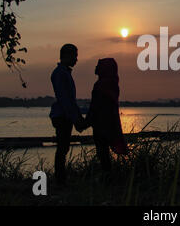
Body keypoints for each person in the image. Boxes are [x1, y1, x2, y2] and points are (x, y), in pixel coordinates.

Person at [49, 44, 87, 186]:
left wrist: (76, 116)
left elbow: (69, 100)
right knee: (62, 148)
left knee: (63, 147)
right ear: (66, 55)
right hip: (62, 115)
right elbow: (65, 99)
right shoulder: (60, 73)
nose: (77, 59)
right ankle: (60, 180)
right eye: (75, 55)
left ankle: (61, 179)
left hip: (65, 114)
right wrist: (76, 118)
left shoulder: (64, 73)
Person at [86, 58, 128, 173]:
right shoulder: (113, 83)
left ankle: (108, 179)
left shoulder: (101, 85)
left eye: (98, 65)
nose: (95, 68)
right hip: (109, 123)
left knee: (103, 153)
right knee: (104, 154)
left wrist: (86, 122)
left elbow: (96, 106)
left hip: (102, 124)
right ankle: (109, 178)